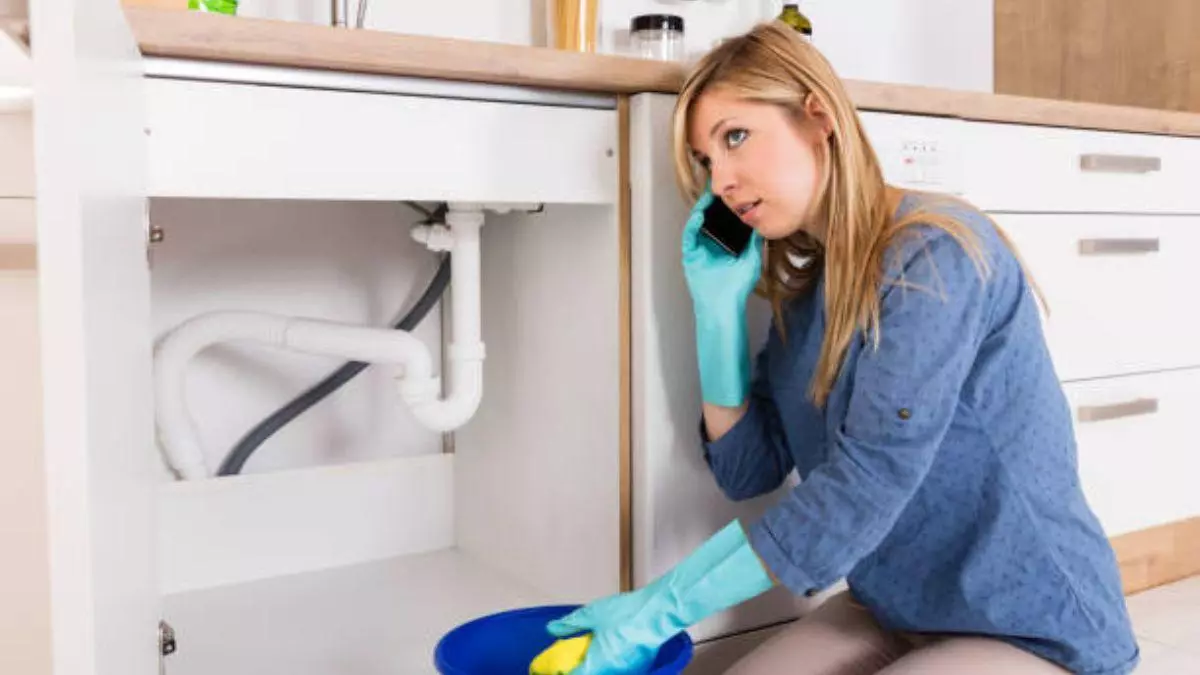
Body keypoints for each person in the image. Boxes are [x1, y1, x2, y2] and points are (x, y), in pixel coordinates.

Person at [541, 20, 1141, 675]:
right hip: (895, 606)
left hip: (1030, 624)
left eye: (735, 137)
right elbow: (748, 472)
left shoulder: (935, 256)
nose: (722, 181)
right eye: (707, 161)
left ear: (818, 117)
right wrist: (717, 315)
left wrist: (663, 606)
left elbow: (865, 484)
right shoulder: (807, 298)